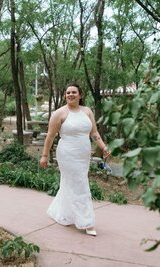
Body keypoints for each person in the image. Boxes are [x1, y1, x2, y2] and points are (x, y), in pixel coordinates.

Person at [39, 83, 110, 236]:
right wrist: (44, 155)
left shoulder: (87, 111)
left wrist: (103, 147)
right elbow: (50, 136)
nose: (70, 94)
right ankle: (86, 222)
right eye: (68, 92)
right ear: (65, 95)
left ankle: (62, 214)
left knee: (71, 183)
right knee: (80, 184)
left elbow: (94, 132)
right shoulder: (60, 113)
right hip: (67, 154)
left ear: (80, 95)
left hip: (83, 155)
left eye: (73, 92)